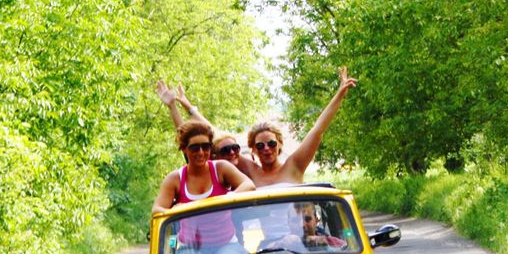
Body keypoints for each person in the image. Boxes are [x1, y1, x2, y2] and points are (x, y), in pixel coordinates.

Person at [153, 67, 357, 187]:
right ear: (252, 149)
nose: (266, 149)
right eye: (260, 146)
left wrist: (339, 94)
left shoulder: (295, 165)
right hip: (267, 244)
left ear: (279, 145)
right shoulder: (249, 169)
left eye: (271, 143)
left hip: (299, 240)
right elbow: (207, 138)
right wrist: (182, 107)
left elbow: (317, 129)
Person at [152, 120, 255, 254]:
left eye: (205, 147)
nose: (201, 152)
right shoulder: (175, 179)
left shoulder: (220, 168)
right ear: (184, 149)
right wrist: (175, 210)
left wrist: (228, 198)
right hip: (190, 246)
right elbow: (156, 210)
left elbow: (248, 185)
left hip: (226, 244)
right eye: (194, 148)